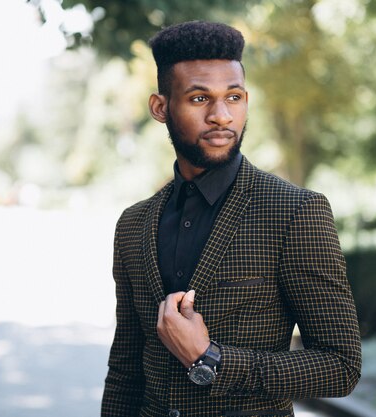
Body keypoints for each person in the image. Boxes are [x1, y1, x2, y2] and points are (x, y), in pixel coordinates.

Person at [101, 21, 361, 417]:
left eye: (234, 97)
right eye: (200, 98)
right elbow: (125, 373)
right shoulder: (133, 225)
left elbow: (341, 366)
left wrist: (211, 359)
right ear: (160, 107)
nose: (221, 116)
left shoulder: (293, 213)